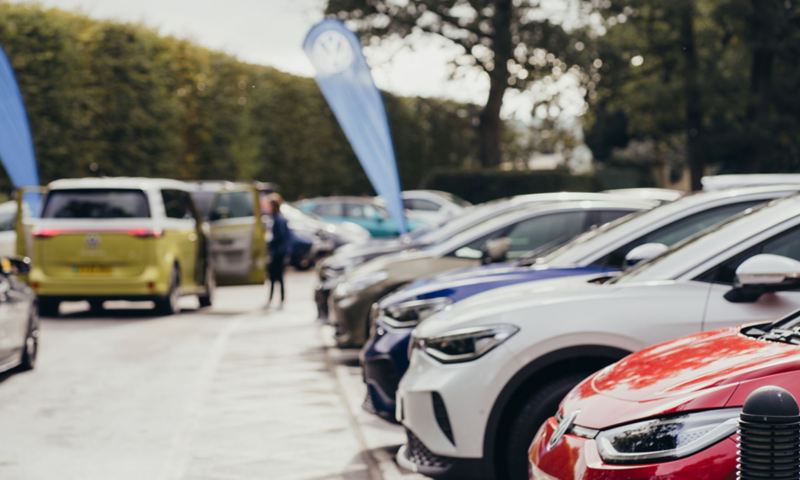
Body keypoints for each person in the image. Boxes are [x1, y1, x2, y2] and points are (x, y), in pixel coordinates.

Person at [264, 193, 290, 307]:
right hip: (280, 252)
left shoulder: (277, 219)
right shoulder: (278, 218)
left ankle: (276, 299)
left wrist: (269, 242)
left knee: (276, 277)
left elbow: (279, 237)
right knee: (277, 277)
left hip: (277, 253)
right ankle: (277, 299)